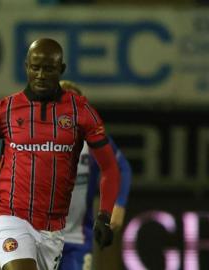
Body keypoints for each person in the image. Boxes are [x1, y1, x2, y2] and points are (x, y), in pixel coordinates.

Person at [0, 38, 121, 270]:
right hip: (9, 217)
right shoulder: (4, 110)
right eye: (35, 67)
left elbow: (110, 168)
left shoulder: (81, 112)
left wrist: (104, 214)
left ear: (60, 70)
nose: (40, 74)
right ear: (26, 67)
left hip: (53, 229)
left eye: (48, 69)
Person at [58, 80, 132, 270]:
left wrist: (119, 204)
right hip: (39, 237)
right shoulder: (34, 137)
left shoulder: (92, 138)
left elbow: (121, 167)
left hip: (78, 239)